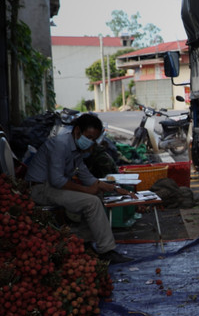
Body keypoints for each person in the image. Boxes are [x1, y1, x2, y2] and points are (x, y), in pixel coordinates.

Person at [25, 113, 132, 264]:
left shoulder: (75, 149)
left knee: (97, 197)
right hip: (40, 189)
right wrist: (88, 190)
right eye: (88, 137)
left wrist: (112, 188)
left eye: (94, 139)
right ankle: (107, 250)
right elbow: (57, 180)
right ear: (77, 131)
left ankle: (85, 243)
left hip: (51, 188)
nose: (90, 142)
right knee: (91, 201)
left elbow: (87, 177)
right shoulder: (60, 144)